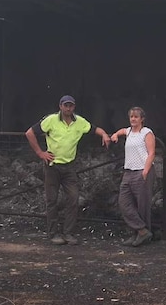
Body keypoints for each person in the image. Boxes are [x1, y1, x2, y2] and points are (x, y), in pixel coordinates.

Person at [25, 95, 110, 245]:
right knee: (52, 200)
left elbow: (95, 129)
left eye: (70, 106)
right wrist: (40, 153)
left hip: (69, 166)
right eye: (66, 105)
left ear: (74, 107)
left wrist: (104, 134)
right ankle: (53, 233)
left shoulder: (80, 122)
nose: (68, 108)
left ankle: (68, 232)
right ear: (60, 106)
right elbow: (29, 133)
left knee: (73, 197)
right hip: (52, 165)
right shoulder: (50, 120)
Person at [110, 106, 156, 247]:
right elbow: (121, 131)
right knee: (124, 203)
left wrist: (145, 171)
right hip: (128, 171)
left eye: (136, 117)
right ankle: (141, 231)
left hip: (141, 171)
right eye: (131, 117)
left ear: (142, 119)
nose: (133, 119)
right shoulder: (129, 131)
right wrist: (115, 135)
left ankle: (140, 235)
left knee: (142, 205)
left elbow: (151, 152)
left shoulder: (146, 133)